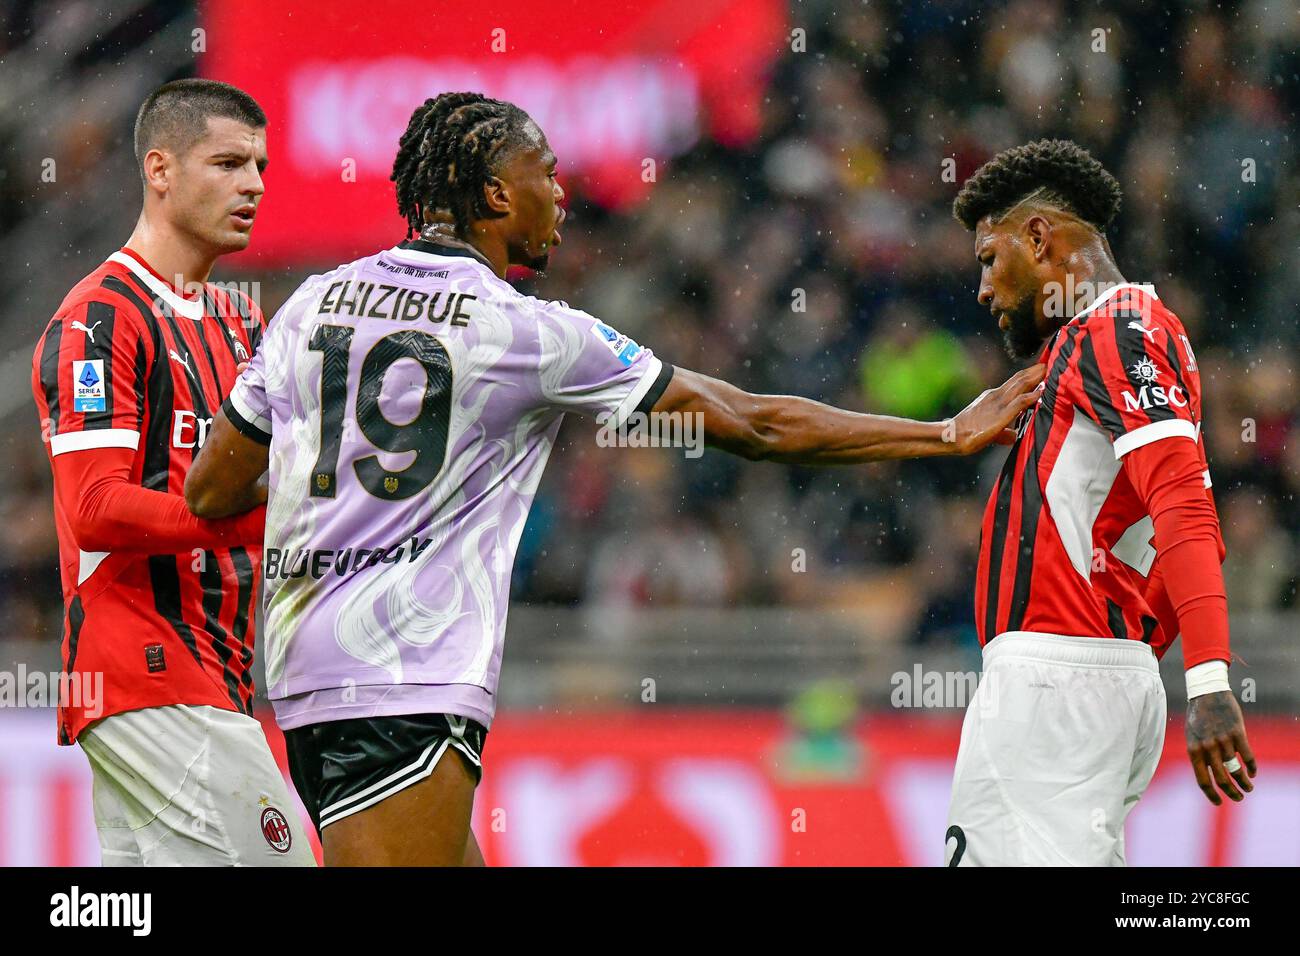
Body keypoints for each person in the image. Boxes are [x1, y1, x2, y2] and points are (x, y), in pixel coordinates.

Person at [184, 91, 1043, 866]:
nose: (560, 196)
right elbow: (750, 423)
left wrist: (339, 511)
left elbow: (213, 491)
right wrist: (943, 432)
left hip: (302, 669)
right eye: (544, 173)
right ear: (493, 195)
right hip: (408, 676)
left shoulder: (313, 302)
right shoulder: (526, 332)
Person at [944, 138, 1254, 867]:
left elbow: (1184, 506)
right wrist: (1129, 659)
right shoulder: (1139, 337)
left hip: (1051, 683)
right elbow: (1194, 522)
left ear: (1039, 236)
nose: (984, 290)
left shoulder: (1113, 331)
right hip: (1088, 675)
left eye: (990, 259)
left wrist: (1207, 678)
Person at [30, 78, 313, 866]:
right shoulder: (102, 315)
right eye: (227, 162)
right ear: (160, 170)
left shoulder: (239, 320)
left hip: (214, 675)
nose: (253, 184)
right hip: (146, 671)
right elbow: (94, 508)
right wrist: (266, 514)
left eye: (260, 165)